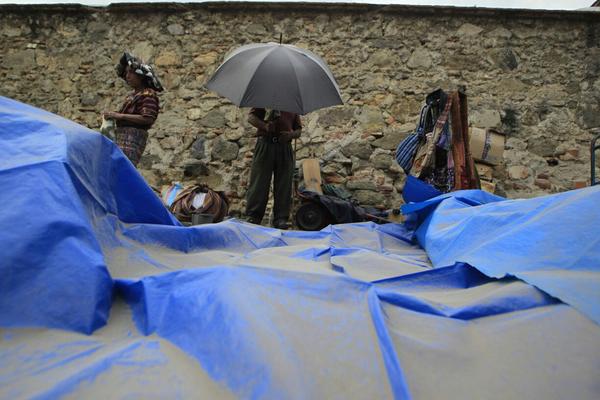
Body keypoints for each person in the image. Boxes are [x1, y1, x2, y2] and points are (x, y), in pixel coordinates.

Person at [103, 52, 163, 166]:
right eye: (126, 73)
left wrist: (120, 116)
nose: (127, 76)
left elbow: (148, 118)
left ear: (140, 76)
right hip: (121, 137)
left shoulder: (148, 94)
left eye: (131, 72)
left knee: (125, 169)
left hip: (133, 139)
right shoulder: (131, 96)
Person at [245, 108, 302, 229]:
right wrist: (264, 126)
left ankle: (281, 218)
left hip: (284, 147)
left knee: (284, 184)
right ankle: (254, 216)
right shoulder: (265, 98)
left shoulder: (291, 104)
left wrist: (290, 135)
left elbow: (298, 130)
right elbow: (251, 117)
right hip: (265, 144)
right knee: (259, 182)